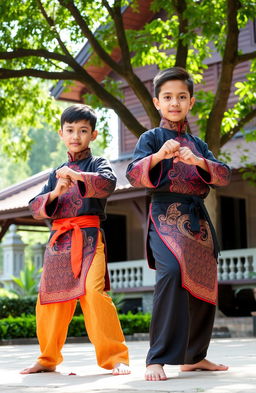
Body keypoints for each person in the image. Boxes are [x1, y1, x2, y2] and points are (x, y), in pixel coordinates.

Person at [126, 67, 231, 381]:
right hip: (165, 216)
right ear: (157, 102)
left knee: (203, 283)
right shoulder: (152, 137)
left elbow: (223, 174)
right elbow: (133, 175)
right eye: (168, 97)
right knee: (171, 274)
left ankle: (194, 357)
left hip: (197, 220)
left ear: (191, 101)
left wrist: (197, 161)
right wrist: (159, 156)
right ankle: (156, 358)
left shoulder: (198, 144)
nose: (175, 102)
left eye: (181, 97)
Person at [21, 104, 130, 376]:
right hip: (59, 243)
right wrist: (56, 191)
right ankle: (47, 358)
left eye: (83, 130)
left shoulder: (98, 164)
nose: (76, 136)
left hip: (89, 237)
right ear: (61, 133)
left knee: (94, 293)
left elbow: (107, 184)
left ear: (93, 135)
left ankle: (115, 357)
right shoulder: (55, 173)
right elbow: (35, 207)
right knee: (50, 300)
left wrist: (78, 176)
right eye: (70, 130)